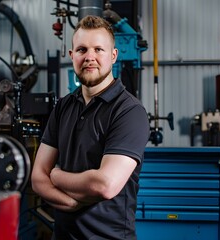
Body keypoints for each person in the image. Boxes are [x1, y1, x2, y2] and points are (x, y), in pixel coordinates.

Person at [31, 15, 150, 240]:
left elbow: (105, 185)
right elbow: (38, 178)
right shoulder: (62, 107)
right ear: (71, 55)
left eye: (98, 49)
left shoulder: (129, 111)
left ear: (114, 56)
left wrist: (55, 176)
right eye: (82, 50)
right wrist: (72, 202)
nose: (89, 57)